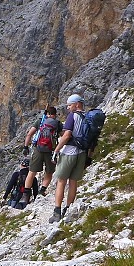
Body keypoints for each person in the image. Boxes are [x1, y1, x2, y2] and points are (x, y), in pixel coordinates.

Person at [50, 94, 88, 223]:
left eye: (70, 105)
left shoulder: (73, 116)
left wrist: (56, 150)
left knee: (61, 181)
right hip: (82, 153)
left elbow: (66, 136)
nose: (68, 107)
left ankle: (57, 212)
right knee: (73, 181)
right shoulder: (87, 117)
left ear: (77, 104)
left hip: (69, 152)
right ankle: (68, 208)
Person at [21, 105, 61, 205]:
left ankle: (26, 196)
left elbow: (29, 134)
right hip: (51, 151)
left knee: (32, 172)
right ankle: (41, 191)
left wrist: (26, 147)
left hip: (38, 149)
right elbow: (64, 135)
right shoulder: (57, 124)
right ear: (55, 115)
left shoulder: (40, 121)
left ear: (47, 113)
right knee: (49, 172)